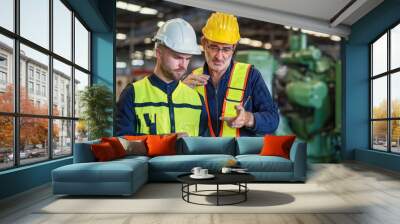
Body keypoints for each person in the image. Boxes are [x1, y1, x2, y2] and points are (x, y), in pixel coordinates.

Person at [183, 12, 279, 137]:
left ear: (234, 48)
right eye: (213, 47)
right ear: (204, 43)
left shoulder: (250, 76)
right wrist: (180, 93)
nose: (219, 56)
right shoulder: (191, 80)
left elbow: (273, 120)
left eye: (226, 49)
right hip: (202, 154)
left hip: (237, 155)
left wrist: (247, 119)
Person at [116, 18, 208, 137]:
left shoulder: (197, 100)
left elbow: (203, 147)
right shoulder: (132, 94)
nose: (183, 65)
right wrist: (165, 141)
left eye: (188, 59)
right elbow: (123, 143)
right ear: (158, 53)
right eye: (177, 57)